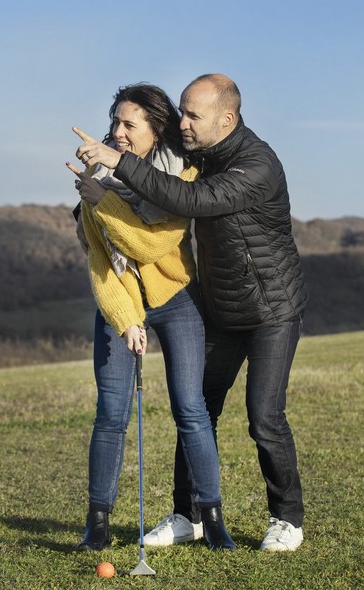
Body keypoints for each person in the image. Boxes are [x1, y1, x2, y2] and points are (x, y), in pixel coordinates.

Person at [74, 74, 309, 552]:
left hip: (271, 310)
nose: (183, 123)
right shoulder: (197, 155)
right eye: (181, 112)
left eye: (193, 116)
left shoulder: (256, 165)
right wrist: (102, 190)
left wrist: (118, 168)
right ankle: (189, 515)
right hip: (220, 308)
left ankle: (287, 517)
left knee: (264, 417)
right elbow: (111, 234)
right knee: (199, 407)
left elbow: (190, 201)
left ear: (227, 119)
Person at [69, 83, 235, 552]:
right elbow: (100, 258)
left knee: (191, 410)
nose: (118, 132)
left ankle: (211, 517)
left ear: (154, 130)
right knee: (110, 415)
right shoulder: (95, 177)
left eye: (129, 125)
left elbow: (150, 244)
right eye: (115, 123)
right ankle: (97, 524)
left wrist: (104, 200)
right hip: (120, 304)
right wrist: (124, 318)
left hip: (177, 300)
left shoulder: (182, 176)